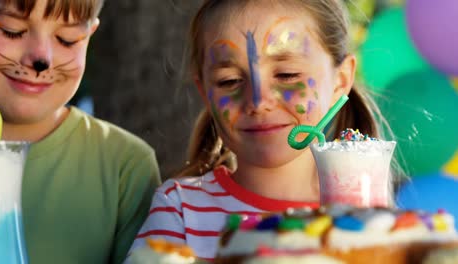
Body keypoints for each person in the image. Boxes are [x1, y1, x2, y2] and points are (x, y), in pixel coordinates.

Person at [128, 0, 393, 261]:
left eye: (287, 75)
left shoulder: (374, 218)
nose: (258, 102)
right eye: (229, 81)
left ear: (341, 80)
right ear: (205, 93)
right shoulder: (180, 210)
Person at [0, 0, 161, 263]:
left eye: (67, 39)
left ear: (90, 35)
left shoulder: (124, 166)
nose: (41, 59)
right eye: (12, 30)